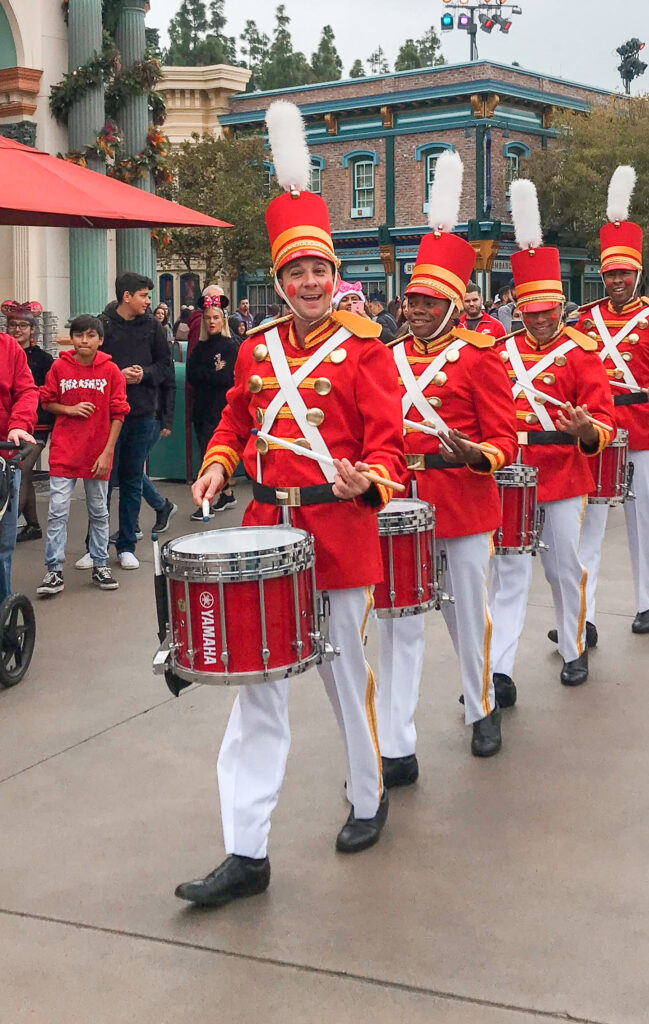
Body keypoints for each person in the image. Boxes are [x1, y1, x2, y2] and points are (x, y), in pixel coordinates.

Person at [176, 100, 406, 909]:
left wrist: (365, 479)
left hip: (339, 529)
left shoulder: (365, 348)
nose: (307, 283)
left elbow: (391, 446)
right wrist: (215, 463)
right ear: (277, 278)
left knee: (346, 676)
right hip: (269, 526)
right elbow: (238, 415)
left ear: (332, 273)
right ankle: (247, 851)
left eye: (317, 270)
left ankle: (369, 795)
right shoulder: (256, 346)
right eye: (293, 272)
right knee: (258, 689)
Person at [375, 150, 518, 786]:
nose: (416, 311)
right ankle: (398, 744)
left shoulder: (481, 357)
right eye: (411, 301)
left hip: (460, 500)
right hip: (398, 500)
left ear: (454, 307)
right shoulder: (386, 355)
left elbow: (505, 438)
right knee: (399, 617)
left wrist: (476, 455)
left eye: (429, 303)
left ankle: (480, 704)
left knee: (465, 610)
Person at [491, 180, 615, 692]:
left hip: (563, 473)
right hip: (510, 474)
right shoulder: (499, 351)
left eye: (547, 310)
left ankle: (573, 647)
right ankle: (497, 671)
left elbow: (603, 422)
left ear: (560, 305)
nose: (539, 319)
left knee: (565, 568)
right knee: (508, 575)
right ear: (519, 306)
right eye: (530, 310)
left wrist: (586, 429)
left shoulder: (583, 352)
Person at [574, 166, 649, 637]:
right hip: (599, 432)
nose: (616, 280)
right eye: (609, 273)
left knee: (641, 520)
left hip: (641, 427)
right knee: (589, 526)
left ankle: (647, 600)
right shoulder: (585, 319)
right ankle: (585, 615)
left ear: (637, 274)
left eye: (623, 273)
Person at [36, 315, 129, 595]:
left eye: (90, 335)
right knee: (57, 512)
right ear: (72, 338)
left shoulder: (111, 371)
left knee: (99, 511)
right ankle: (53, 570)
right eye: (79, 335)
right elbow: (47, 400)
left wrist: (107, 452)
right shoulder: (59, 367)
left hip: (97, 454)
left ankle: (100, 564)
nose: (84, 341)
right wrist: (69, 409)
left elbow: (119, 413)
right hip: (65, 451)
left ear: (100, 340)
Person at [98, 272, 173, 570]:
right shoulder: (102, 325)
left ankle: (127, 544)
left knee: (131, 480)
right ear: (126, 296)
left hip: (141, 413)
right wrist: (118, 374)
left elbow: (165, 366)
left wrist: (145, 374)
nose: (148, 301)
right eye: (143, 295)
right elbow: (91, 363)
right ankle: (96, 546)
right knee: (101, 483)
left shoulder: (153, 327)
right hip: (106, 416)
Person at [1, 301, 54, 542]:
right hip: (9, 428)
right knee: (26, 475)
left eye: (23, 325)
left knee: (20, 470)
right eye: (13, 325)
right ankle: (32, 524)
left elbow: (34, 391)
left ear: (33, 329)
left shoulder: (42, 359)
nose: (18, 329)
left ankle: (9, 523)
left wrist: (22, 417)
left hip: (35, 427)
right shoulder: (7, 349)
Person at [185, 299, 238, 520]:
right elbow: (192, 374)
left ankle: (207, 501)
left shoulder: (230, 345)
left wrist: (207, 374)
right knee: (204, 450)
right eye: (208, 318)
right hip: (202, 407)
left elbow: (226, 377)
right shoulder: (200, 346)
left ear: (223, 319)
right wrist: (211, 372)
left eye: (216, 317)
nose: (211, 322)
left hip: (221, 408)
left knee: (211, 455)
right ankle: (227, 493)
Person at [0, 330, 38, 599]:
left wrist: (18, 426)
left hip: (4, 458)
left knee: (3, 545)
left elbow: (26, 390)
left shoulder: (8, 347)